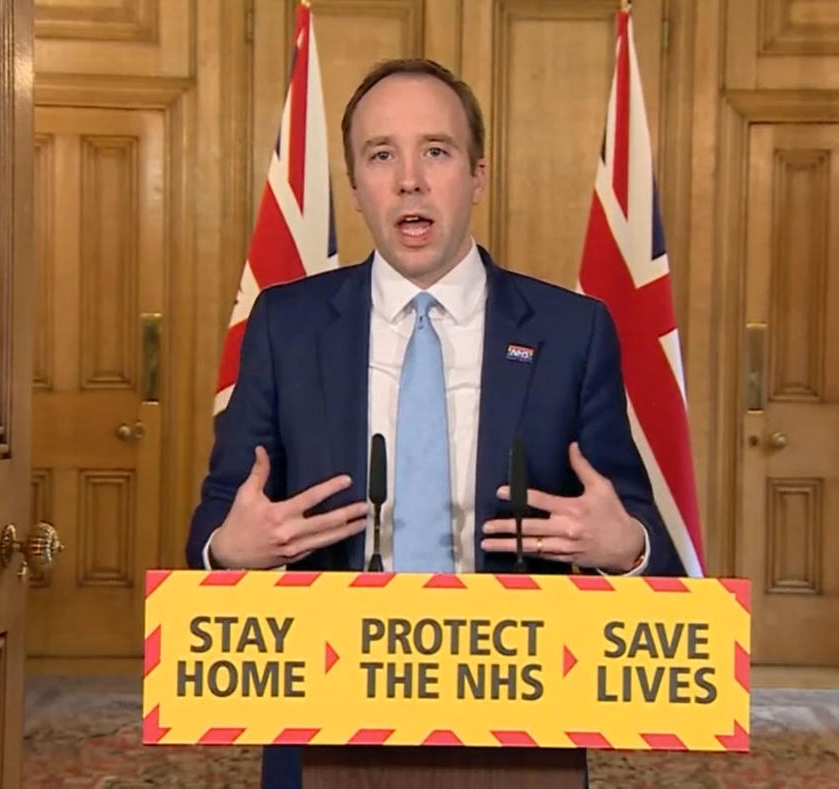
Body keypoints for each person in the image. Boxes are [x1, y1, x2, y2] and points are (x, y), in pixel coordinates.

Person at [186, 58, 685, 788]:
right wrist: (230, 550)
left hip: (519, 725)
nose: (410, 179)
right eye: (381, 155)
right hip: (326, 717)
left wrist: (626, 545)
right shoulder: (285, 326)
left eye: (437, 152)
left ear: (477, 175)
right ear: (355, 186)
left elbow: (650, 545)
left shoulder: (572, 331)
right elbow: (214, 529)